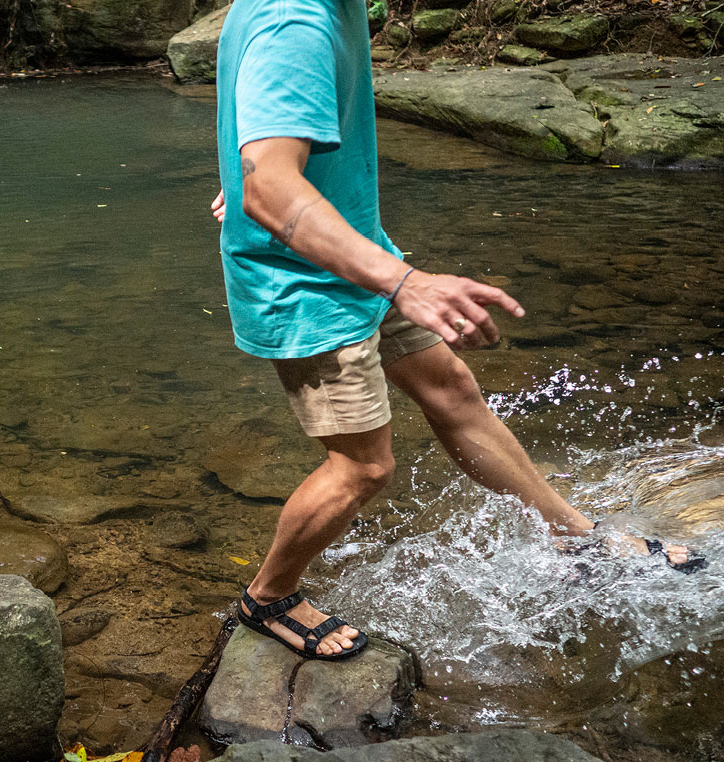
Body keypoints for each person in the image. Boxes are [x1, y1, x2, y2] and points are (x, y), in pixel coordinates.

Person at [210, 0, 694, 661]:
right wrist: (270, 192)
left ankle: (573, 536)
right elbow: (268, 185)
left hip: (353, 251)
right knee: (363, 465)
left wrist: (256, 177)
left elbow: (263, 144)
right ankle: (269, 599)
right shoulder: (296, 18)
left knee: (453, 389)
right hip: (304, 288)